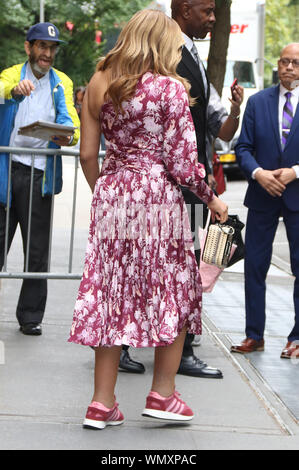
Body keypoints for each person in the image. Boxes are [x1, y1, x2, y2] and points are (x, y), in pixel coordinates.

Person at [68, 9, 228, 429]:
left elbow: (87, 155)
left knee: (110, 293)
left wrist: (106, 192)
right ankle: (163, 394)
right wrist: (212, 200)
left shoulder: (100, 81)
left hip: (113, 194)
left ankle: (101, 403)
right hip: (158, 199)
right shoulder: (171, 89)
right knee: (171, 291)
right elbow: (183, 164)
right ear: (161, 42)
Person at [120, 0, 244, 378]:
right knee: (152, 263)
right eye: (207, 11)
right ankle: (136, 344)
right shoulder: (162, 52)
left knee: (188, 264)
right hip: (169, 184)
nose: (213, 19)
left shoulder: (193, 56)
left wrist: (235, 111)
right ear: (184, 8)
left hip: (190, 184)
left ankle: (180, 346)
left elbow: (216, 126)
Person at [0, 22, 80, 336]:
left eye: (51, 48)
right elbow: (1, 91)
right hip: (7, 172)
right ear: (28, 47)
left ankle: (30, 316)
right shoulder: (10, 74)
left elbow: (72, 127)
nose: (47, 54)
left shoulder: (63, 82)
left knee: (37, 251)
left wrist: (66, 137)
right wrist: (12, 91)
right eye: (41, 47)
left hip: (39, 175)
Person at [231, 43, 299, 359]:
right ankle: (254, 335)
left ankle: (297, 338)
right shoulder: (258, 103)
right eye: (284, 61)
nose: (288, 67)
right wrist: (259, 174)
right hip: (261, 196)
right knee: (255, 267)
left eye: (295, 63)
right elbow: (243, 147)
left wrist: (294, 172)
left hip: (297, 195)